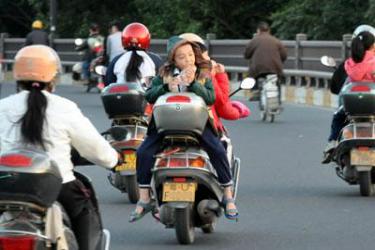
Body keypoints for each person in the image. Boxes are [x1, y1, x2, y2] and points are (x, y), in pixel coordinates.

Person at [0, 45, 120, 250]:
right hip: (55, 185)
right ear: (53, 78)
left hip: (5, 183)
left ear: (17, 78)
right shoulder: (64, 107)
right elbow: (95, 148)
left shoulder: (3, 106)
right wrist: (113, 160)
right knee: (83, 210)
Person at [129, 36, 238, 223]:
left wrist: (194, 84)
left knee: (216, 148)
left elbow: (211, 98)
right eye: (181, 56)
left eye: (190, 55)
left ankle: (227, 195)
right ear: (173, 59)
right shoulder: (164, 73)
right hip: (165, 122)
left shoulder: (203, 73)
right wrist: (166, 87)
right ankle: (145, 197)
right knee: (144, 151)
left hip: (197, 122)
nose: (187, 59)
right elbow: (150, 95)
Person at [179, 33, 250, 134]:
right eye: (206, 55)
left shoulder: (169, 75)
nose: (209, 59)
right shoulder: (205, 76)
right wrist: (238, 112)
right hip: (204, 126)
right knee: (219, 149)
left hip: (170, 128)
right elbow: (221, 104)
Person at [322, 31, 375, 163]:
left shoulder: (349, 63)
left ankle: (332, 144)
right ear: (373, 45)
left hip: (350, 106)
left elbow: (335, 87)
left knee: (338, 118)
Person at [104, 22, 162, 87]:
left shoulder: (117, 60)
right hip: (145, 96)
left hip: (121, 95)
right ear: (147, 38)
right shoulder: (155, 60)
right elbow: (161, 82)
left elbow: (108, 83)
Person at [244, 21, 287, 101]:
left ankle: (256, 91)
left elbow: (247, 55)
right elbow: (284, 56)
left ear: (258, 30)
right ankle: (278, 98)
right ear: (269, 31)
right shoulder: (276, 41)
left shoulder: (254, 41)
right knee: (277, 82)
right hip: (275, 68)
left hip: (258, 69)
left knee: (253, 73)